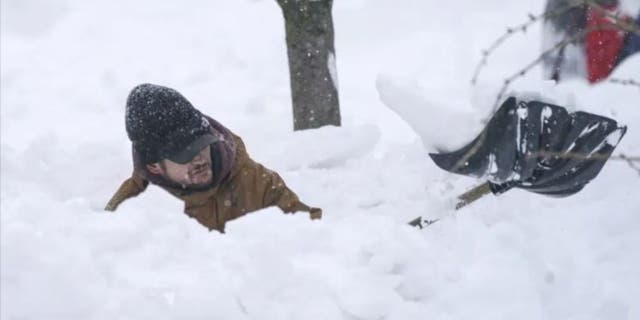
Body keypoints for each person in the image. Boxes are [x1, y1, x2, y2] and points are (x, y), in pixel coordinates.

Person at [105, 83, 322, 233]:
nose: (199, 159)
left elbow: (314, 235)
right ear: (154, 167)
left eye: (202, 145)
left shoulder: (256, 184)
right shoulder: (129, 213)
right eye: (185, 155)